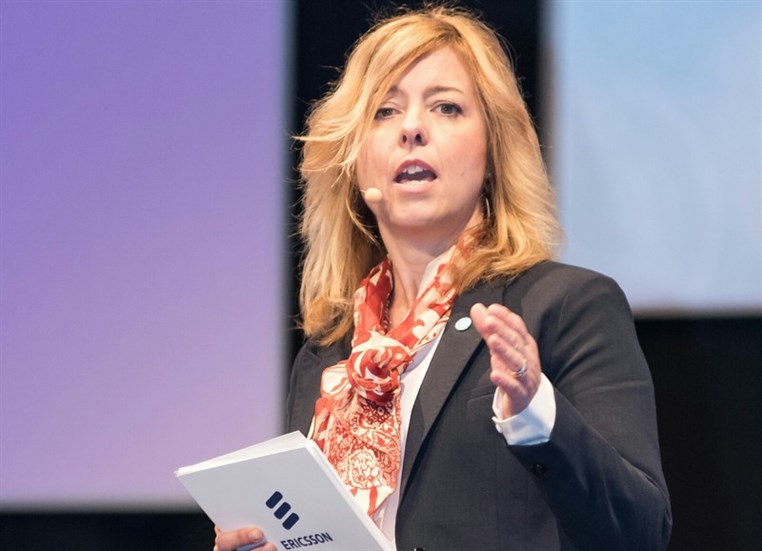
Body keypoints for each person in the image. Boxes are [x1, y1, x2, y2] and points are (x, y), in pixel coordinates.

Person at [215, 6, 672, 551]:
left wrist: (534, 412)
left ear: (493, 152)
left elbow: (639, 532)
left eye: (446, 107)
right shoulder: (329, 353)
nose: (411, 128)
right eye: (384, 111)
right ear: (354, 161)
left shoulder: (566, 307)